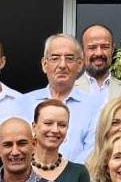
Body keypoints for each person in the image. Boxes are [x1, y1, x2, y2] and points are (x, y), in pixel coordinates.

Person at [25, 34, 94, 163]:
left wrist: (65, 173)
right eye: (55, 58)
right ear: (44, 64)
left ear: (80, 64)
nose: (62, 65)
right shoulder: (23, 103)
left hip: (77, 180)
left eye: (69, 59)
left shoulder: (94, 107)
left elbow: (93, 151)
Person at [29, 100, 89, 182]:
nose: (55, 130)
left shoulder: (78, 173)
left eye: (62, 125)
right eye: (48, 123)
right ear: (34, 127)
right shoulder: (19, 167)